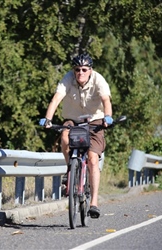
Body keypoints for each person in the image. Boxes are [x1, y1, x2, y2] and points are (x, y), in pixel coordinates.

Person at [39, 53, 113, 219]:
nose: (80, 73)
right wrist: (48, 119)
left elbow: (106, 100)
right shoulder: (68, 79)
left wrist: (107, 117)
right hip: (73, 120)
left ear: (90, 70)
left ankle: (93, 203)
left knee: (93, 158)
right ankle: (70, 169)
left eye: (84, 69)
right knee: (64, 136)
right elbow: (56, 98)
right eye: (77, 69)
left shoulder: (98, 80)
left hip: (95, 121)